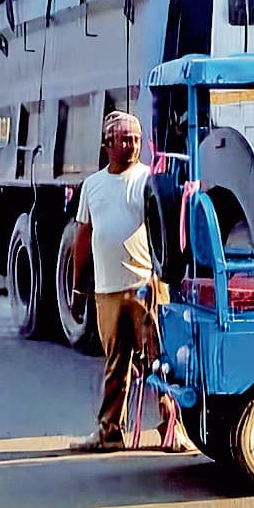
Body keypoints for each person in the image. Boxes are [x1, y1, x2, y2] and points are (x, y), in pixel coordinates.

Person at [70, 111, 192, 454]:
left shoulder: (148, 180)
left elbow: (167, 231)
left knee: (160, 361)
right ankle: (109, 432)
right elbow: (83, 237)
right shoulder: (92, 185)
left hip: (145, 287)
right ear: (107, 144)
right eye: (124, 140)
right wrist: (79, 288)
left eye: (136, 139)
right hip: (107, 291)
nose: (132, 146)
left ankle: (173, 430)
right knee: (116, 365)